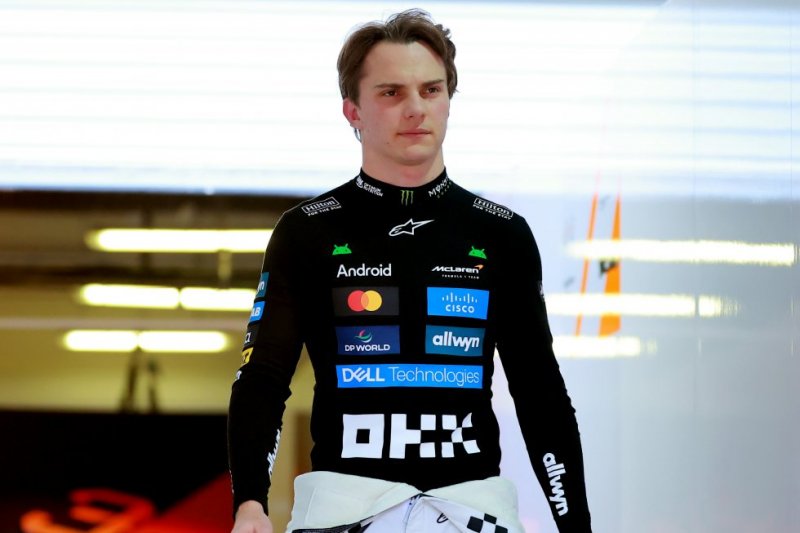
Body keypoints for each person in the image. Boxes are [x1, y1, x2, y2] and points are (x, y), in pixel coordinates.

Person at [227, 8, 592, 533]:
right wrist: (249, 502)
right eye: (391, 92)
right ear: (352, 110)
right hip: (344, 513)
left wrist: (576, 524)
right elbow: (262, 377)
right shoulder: (307, 232)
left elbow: (541, 394)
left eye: (431, 90)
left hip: (471, 512)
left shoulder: (502, 234)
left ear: (449, 99)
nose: (416, 108)